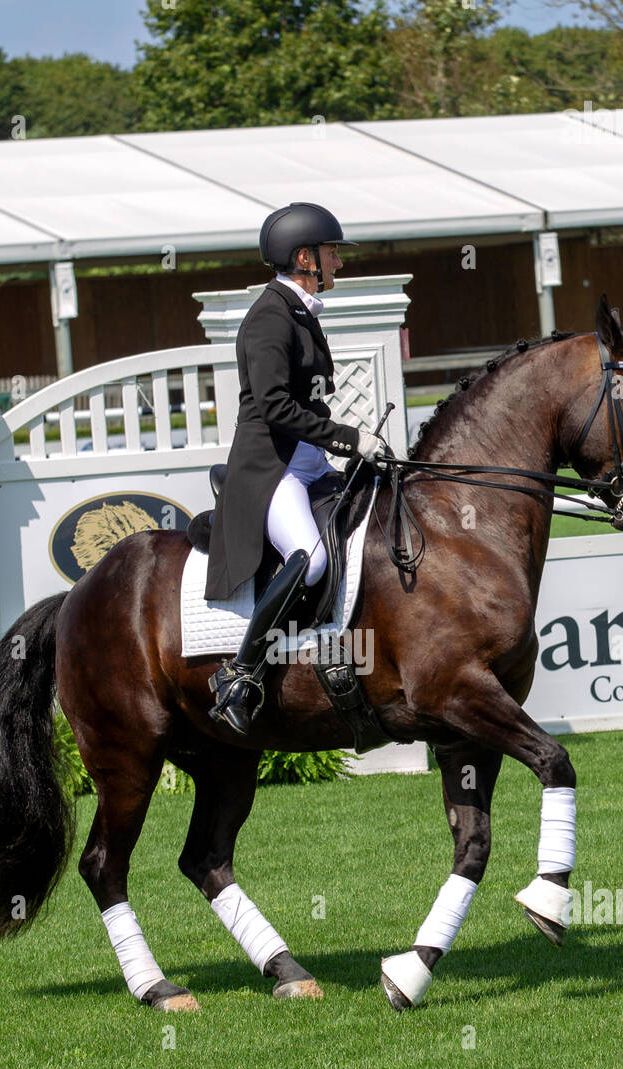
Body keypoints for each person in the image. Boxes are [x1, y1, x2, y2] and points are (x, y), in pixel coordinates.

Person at [204, 202, 383, 735]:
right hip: (273, 472)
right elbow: (276, 406)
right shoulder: (269, 316)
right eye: (332, 254)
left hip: (308, 463)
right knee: (310, 560)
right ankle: (242, 676)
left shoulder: (301, 311)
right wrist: (350, 439)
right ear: (305, 257)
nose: (339, 264)